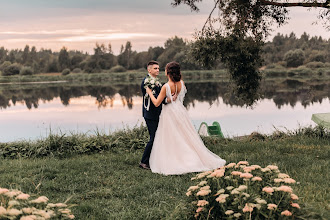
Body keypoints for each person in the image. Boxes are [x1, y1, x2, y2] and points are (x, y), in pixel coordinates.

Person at [146, 61, 226, 175]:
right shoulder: (182, 83)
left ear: (168, 72)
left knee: (172, 136)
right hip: (180, 111)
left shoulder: (166, 86)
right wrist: (169, 99)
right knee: (185, 135)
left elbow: (157, 103)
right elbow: (176, 98)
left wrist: (149, 92)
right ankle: (191, 156)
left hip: (169, 113)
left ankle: (180, 159)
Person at [139, 61, 176, 170]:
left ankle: (155, 159)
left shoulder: (157, 82)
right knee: (153, 138)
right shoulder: (147, 82)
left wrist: (169, 99)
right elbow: (155, 99)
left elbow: (161, 97)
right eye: (155, 68)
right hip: (150, 114)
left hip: (158, 113)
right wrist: (167, 100)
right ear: (149, 70)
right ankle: (143, 162)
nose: (157, 70)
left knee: (158, 137)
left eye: (158, 68)